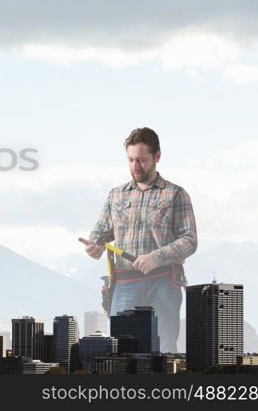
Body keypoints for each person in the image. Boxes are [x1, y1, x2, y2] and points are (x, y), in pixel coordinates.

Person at [78, 127, 197, 353]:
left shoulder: (175, 194)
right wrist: (95, 247)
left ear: (157, 157)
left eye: (141, 160)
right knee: (121, 351)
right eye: (131, 160)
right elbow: (100, 233)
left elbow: (190, 240)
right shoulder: (116, 195)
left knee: (164, 351)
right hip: (123, 284)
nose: (135, 166)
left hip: (164, 281)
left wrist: (156, 257)